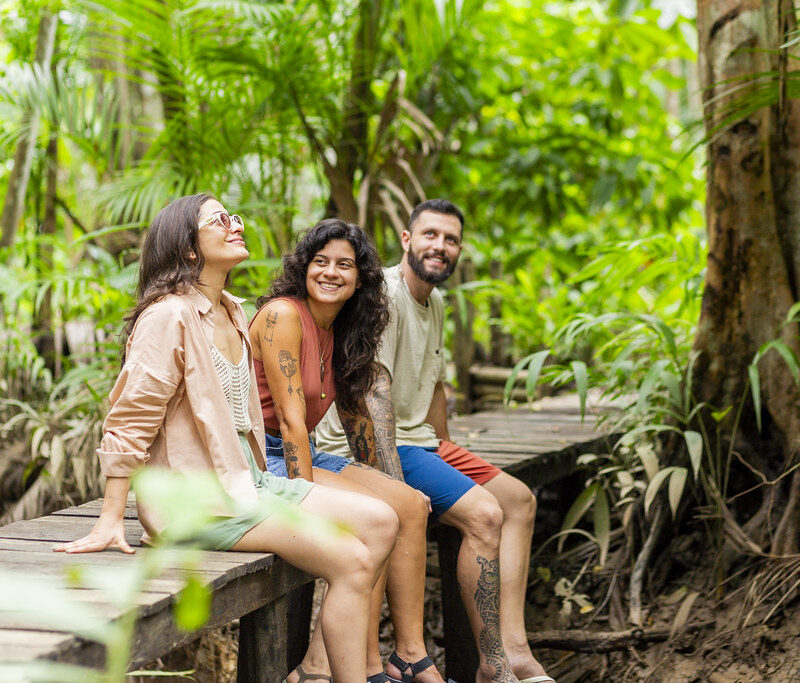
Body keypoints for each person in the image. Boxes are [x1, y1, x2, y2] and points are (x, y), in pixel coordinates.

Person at [54, 195, 399, 682]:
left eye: (234, 216)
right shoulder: (167, 316)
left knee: (382, 521)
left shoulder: (232, 312)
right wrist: (112, 518)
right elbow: (131, 418)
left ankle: (318, 666)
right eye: (219, 220)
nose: (235, 224)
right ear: (189, 248)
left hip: (246, 479)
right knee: (351, 559)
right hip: (196, 500)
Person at [316, 199, 554, 683]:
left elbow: (435, 382)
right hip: (376, 443)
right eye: (429, 235)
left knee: (519, 501)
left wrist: (445, 446)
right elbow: (368, 390)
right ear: (407, 239)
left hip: (421, 438)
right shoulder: (381, 291)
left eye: (449, 239)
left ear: (459, 249)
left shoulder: (436, 300)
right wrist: (390, 482)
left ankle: (515, 649)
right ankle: (491, 664)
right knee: (486, 515)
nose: (439, 246)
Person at [249, 219, 445, 683]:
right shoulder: (283, 315)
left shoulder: (340, 327)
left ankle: (408, 656)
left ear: (360, 278)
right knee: (379, 517)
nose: (331, 273)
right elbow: (292, 420)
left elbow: (360, 424)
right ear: (303, 268)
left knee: (411, 505)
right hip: (268, 457)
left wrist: (383, 478)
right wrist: (304, 498)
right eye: (321, 262)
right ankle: (338, 668)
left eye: (345, 265)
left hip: (306, 451)